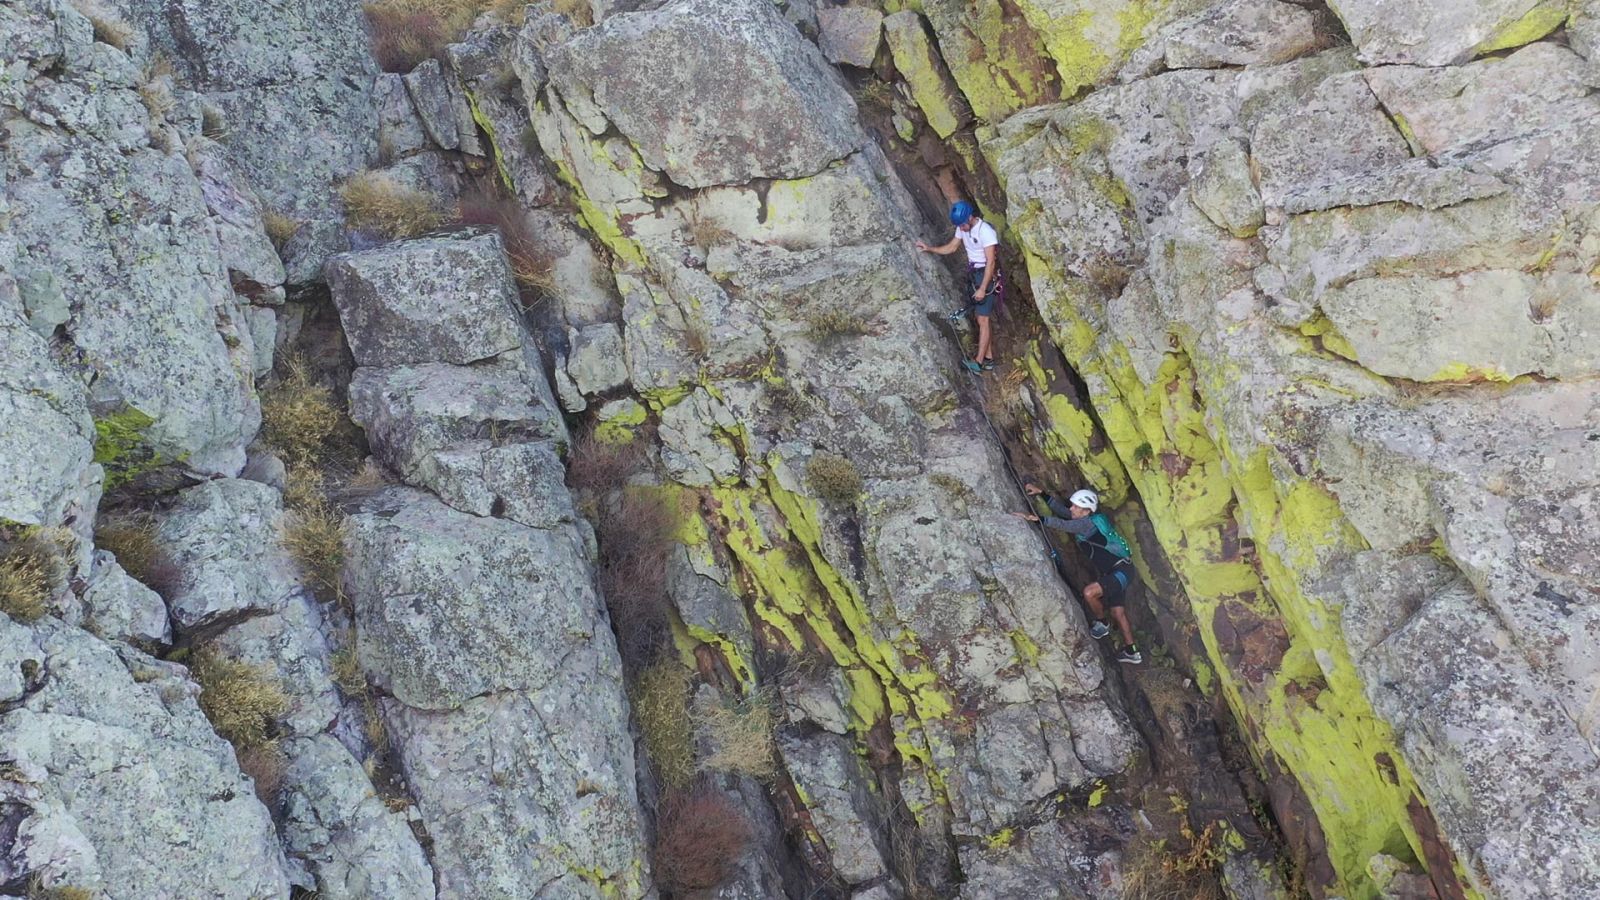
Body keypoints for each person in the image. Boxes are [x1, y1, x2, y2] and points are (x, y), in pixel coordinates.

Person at [1012, 484, 1142, 664]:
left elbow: (1062, 524)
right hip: (1122, 571)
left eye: (1076, 506)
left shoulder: (1086, 525)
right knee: (1118, 612)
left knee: (1090, 593)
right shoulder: (1092, 520)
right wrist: (1043, 494)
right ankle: (1132, 652)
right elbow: (1065, 513)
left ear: (1086, 511)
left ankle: (1102, 623)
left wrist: (1035, 519)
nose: (1071, 508)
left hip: (1120, 572)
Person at [915, 200, 1003, 373]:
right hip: (974, 275)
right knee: (980, 319)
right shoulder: (962, 227)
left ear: (970, 217)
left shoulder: (986, 232)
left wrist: (983, 288)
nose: (961, 229)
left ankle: (977, 363)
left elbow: (991, 262)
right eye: (959, 226)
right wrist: (930, 249)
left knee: (983, 320)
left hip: (986, 276)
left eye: (963, 225)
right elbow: (952, 247)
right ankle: (989, 358)